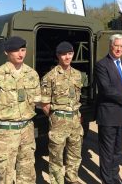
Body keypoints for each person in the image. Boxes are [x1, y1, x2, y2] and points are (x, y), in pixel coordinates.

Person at [0, 36, 41, 184]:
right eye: (15, 50)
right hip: (6, 133)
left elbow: (37, 100)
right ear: (6, 52)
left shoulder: (32, 74)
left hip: (27, 131)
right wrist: (1, 116)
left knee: (28, 173)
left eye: (23, 50)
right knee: (6, 175)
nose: (20, 54)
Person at [95, 34, 122, 184]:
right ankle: (107, 180)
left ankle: (114, 177)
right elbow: (106, 90)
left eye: (121, 46)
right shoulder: (102, 65)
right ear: (110, 46)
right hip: (108, 116)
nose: (118, 49)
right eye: (116, 45)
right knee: (107, 152)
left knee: (118, 150)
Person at [41, 41, 83, 184]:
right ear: (58, 55)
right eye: (64, 54)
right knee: (56, 157)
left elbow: (77, 98)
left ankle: (72, 179)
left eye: (70, 54)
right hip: (59, 122)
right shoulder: (50, 77)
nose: (67, 57)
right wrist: (56, 118)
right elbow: (45, 105)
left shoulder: (78, 75)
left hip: (75, 122)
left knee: (75, 154)